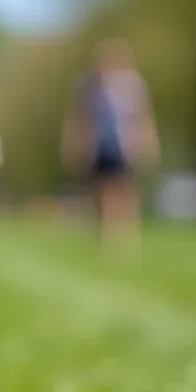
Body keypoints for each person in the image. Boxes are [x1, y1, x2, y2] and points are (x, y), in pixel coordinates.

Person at [61, 38, 160, 253]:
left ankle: (125, 235)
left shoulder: (133, 86)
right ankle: (105, 232)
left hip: (125, 145)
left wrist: (149, 142)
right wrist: (74, 146)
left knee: (123, 189)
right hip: (98, 147)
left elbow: (143, 116)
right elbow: (79, 119)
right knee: (101, 190)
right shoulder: (88, 87)